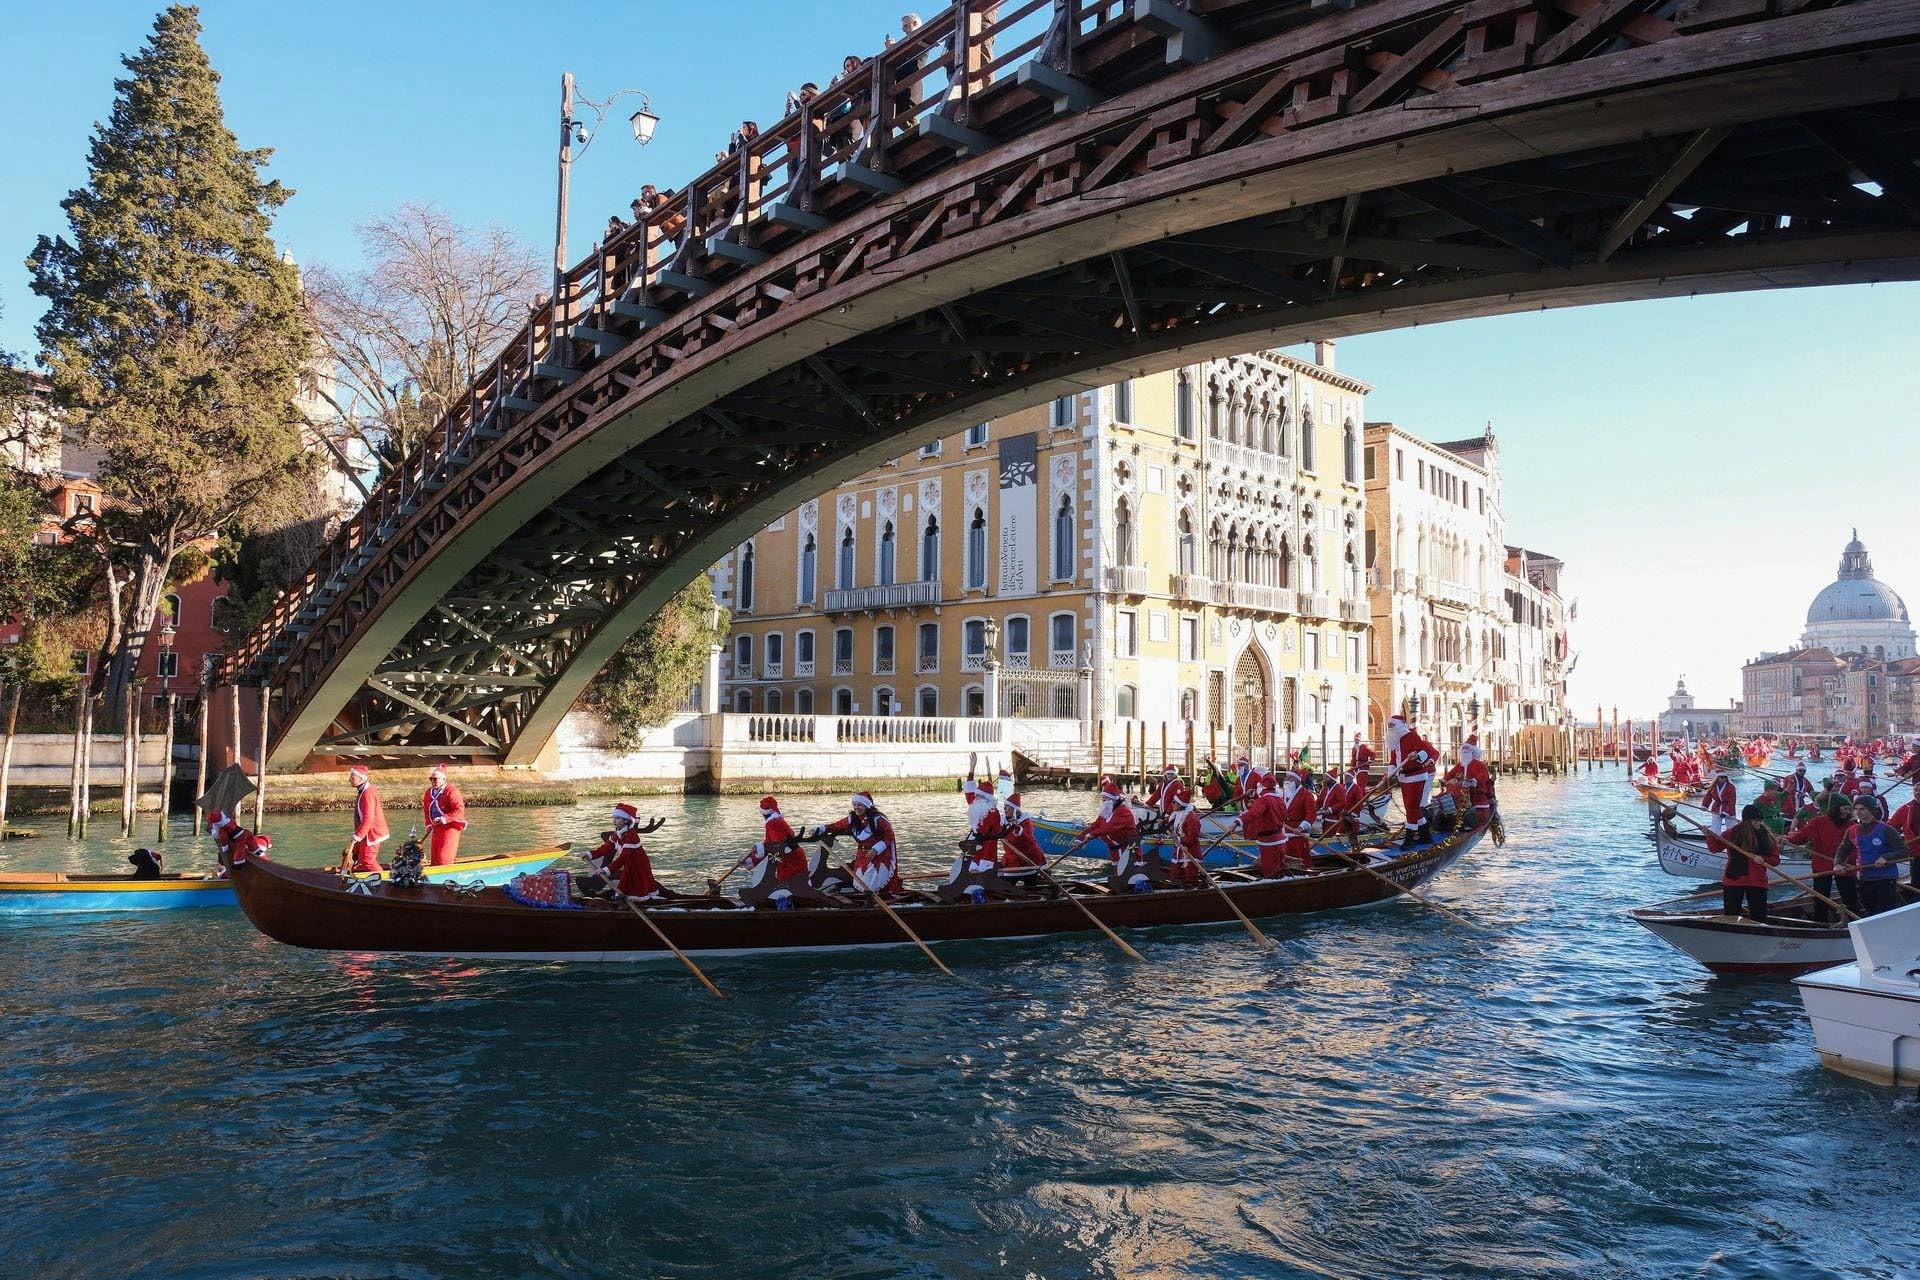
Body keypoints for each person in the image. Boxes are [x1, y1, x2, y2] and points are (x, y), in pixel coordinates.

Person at [1701, 804, 1781, 923]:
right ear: (1746, 821)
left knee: (1759, 917)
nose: (1758, 823)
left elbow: (1775, 860)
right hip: (1734, 878)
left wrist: (1763, 859)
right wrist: (1709, 835)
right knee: (1730, 915)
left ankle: (1758, 932)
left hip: (1757, 880)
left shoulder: (1767, 836)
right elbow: (1715, 848)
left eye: (1759, 820)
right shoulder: (1732, 833)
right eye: (1754, 820)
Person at [1786, 794, 1857, 922]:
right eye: (1844, 809)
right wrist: (1788, 839)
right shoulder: (1818, 822)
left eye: (1849, 809)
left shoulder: (1852, 826)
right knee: (1821, 897)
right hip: (1822, 864)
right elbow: (1801, 836)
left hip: (1845, 866)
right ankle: (1820, 923)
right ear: (1835, 808)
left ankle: (1856, 921)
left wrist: (1844, 861)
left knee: (1850, 896)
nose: (1847, 812)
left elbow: (1855, 846)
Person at [1838, 795, 1912, 915]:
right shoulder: (1852, 831)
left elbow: (1904, 851)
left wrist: (1886, 858)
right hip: (1865, 878)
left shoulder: (1886, 829)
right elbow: (1843, 850)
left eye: (1862, 809)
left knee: (1886, 912)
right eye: (1856, 809)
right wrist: (1838, 864)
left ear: (1871, 810)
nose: (1858, 812)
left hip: (1885, 878)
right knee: (1870, 911)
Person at [820, 792, 900, 895]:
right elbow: (836, 826)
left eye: (859, 805)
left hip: (879, 857)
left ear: (866, 806)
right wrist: (820, 829)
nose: (856, 807)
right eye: (854, 805)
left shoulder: (878, 820)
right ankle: (863, 899)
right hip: (862, 857)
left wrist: (876, 849)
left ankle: (883, 897)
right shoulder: (852, 819)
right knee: (861, 883)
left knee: (876, 884)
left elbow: (889, 835)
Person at [1384, 714, 1439, 850]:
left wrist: (1416, 755)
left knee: (1411, 808)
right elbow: (1393, 760)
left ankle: (1409, 839)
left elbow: (1425, 752)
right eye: (1389, 725)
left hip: (1416, 776)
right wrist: (1389, 774)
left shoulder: (1412, 736)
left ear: (1399, 726)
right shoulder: (1395, 740)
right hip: (1404, 778)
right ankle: (1425, 835)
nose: (1390, 728)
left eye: (1392, 725)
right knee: (1412, 808)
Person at [744, 794, 810, 903]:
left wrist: (760, 848)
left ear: (763, 813)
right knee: (791, 884)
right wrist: (751, 860)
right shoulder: (777, 821)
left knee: (786, 884)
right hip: (792, 857)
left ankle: (789, 904)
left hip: (790, 860)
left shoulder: (772, 824)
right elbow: (769, 845)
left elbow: (776, 846)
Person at [591, 803, 662, 900]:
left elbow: (623, 858)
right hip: (629, 864)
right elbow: (606, 848)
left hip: (638, 866)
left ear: (626, 820)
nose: (614, 820)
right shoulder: (618, 833)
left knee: (636, 889)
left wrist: (605, 870)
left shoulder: (631, 836)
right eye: (614, 818)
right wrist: (589, 854)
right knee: (624, 888)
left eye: (618, 818)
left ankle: (640, 903)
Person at [1081, 781, 1143, 888]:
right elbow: (1097, 823)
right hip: (1115, 848)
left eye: (1105, 799)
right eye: (1103, 799)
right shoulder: (1108, 809)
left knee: (1127, 874)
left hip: (1128, 849)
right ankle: (1119, 887)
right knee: (1117, 873)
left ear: (1112, 800)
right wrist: (1081, 837)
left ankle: (1128, 889)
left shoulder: (1123, 811)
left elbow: (1109, 827)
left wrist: (1091, 835)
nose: (1103, 802)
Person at [343, 764, 388, 873]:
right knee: (354, 854)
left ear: (361, 779)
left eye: (352, 778)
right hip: (365, 833)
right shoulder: (363, 791)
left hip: (372, 833)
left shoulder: (368, 793)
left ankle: (383, 879)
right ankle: (353, 873)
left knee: (367, 860)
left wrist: (358, 836)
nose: (349, 780)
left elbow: (368, 818)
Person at [421, 763, 469, 865]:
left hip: (451, 826)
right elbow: (426, 811)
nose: (432, 781)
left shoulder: (451, 791)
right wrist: (428, 824)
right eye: (431, 779)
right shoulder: (428, 792)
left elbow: (459, 810)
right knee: (434, 858)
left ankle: (446, 870)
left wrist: (443, 819)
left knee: (444, 858)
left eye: (435, 779)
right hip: (436, 827)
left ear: (444, 779)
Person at [998, 791, 1047, 883]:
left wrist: (1016, 827)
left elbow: (1026, 839)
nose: (1004, 809)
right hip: (1012, 859)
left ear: (1014, 809)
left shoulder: (1026, 823)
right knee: (1005, 883)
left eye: (1007, 806)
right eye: (1004, 806)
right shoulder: (1003, 821)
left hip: (1028, 860)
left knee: (1030, 886)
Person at [1276, 770, 1319, 874]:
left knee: (1301, 856)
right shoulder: (1283, 794)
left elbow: (1311, 814)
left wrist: (1301, 827)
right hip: (1285, 832)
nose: (1287, 780)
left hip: (1298, 832)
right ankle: (1286, 873)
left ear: (1297, 780)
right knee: (1286, 857)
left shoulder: (1307, 795)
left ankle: (1306, 873)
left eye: (1290, 778)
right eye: (1287, 777)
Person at [960, 775, 1002, 875]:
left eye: (979, 796)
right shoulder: (977, 805)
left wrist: (980, 836)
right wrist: (971, 770)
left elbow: (993, 830)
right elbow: (969, 793)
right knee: (972, 862)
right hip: (975, 842)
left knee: (984, 866)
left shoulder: (993, 811)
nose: (976, 798)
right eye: (977, 795)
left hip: (987, 844)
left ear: (985, 798)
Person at [1463, 735, 1496, 830]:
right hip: (1465, 799)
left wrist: (1474, 780)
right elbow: (1451, 774)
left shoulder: (1480, 766)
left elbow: (1483, 776)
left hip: (1478, 799)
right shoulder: (1461, 765)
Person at [1701, 768, 1738, 836]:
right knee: (1715, 828)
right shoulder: (1713, 787)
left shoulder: (1731, 787)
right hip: (1717, 808)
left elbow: (1732, 801)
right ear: (1717, 778)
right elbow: (1708, 797)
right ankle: (1715, 839)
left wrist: (1726, 812)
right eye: (1722, 777)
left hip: (1729, 810)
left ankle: (1732, 840)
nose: (1724, 779)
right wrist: (1704, 806)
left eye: (1725, 777)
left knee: (1731, 828)